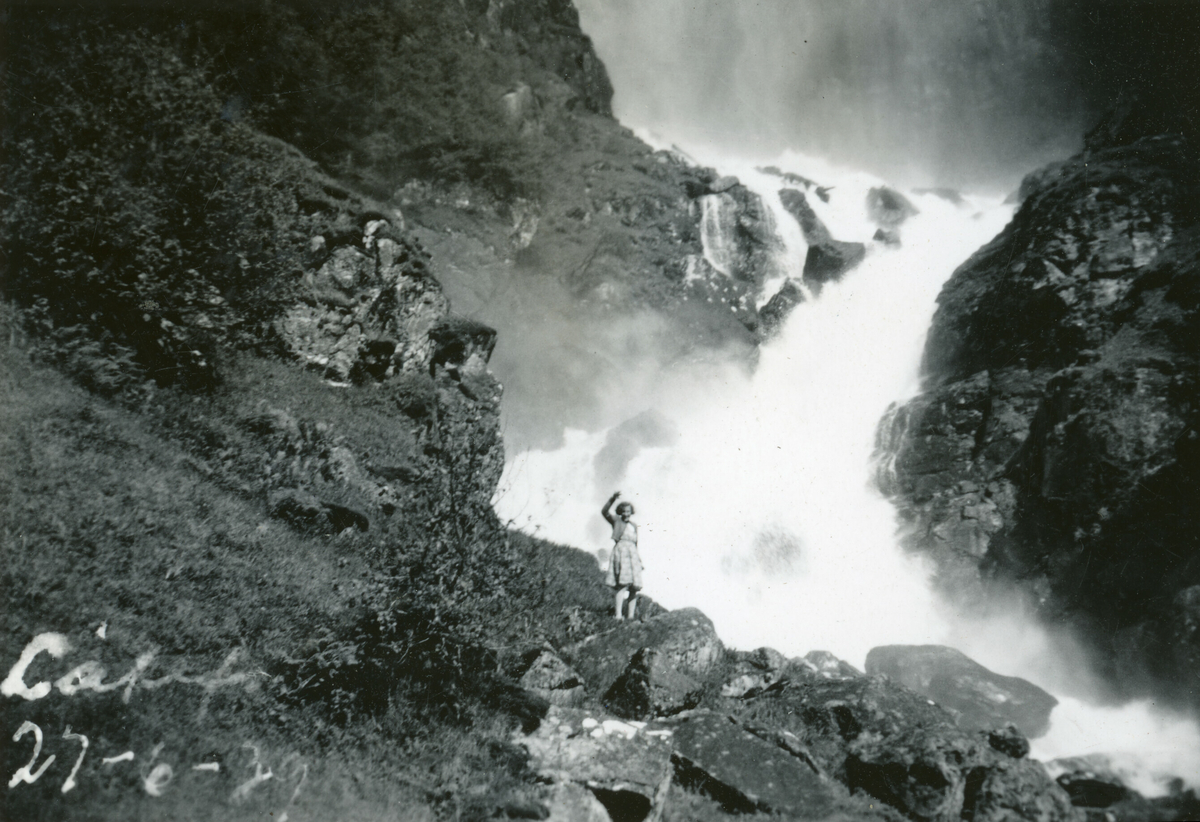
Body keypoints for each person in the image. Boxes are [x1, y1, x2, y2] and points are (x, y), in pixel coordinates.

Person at [601, 491, 643, 620]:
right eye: (624, 511)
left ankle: (630, 616)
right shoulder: (616, 521)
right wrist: (612, 498)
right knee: (623, 585)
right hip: (621, 553)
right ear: (620, 512)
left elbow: (635, 544)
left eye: (628, 511)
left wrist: (639, 560)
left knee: (634, 588)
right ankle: (618, 615)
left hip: (633, 556)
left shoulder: (634, 526)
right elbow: (604, 512)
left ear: (631, 512)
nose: (626, 514)